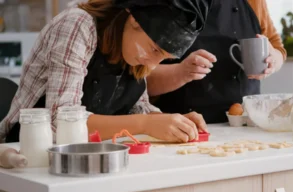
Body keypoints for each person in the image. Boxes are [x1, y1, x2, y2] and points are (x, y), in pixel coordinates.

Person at [0, 0, 213, 143]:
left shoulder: (134, 52)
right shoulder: (77, 25)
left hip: (87, 155)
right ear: (133, 20)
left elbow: (138, 109)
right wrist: (147, 124)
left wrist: (174, 122)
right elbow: (61, 122)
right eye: (155, 49)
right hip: (25, 153)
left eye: (164, 58)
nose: (154, 64)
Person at [147, 0, 287, 123]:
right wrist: (180, 72)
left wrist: (273, 59)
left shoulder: (255, 1)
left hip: (246, 123)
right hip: (185, 127)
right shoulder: (164, 5)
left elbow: (277, 48)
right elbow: (139, 79)